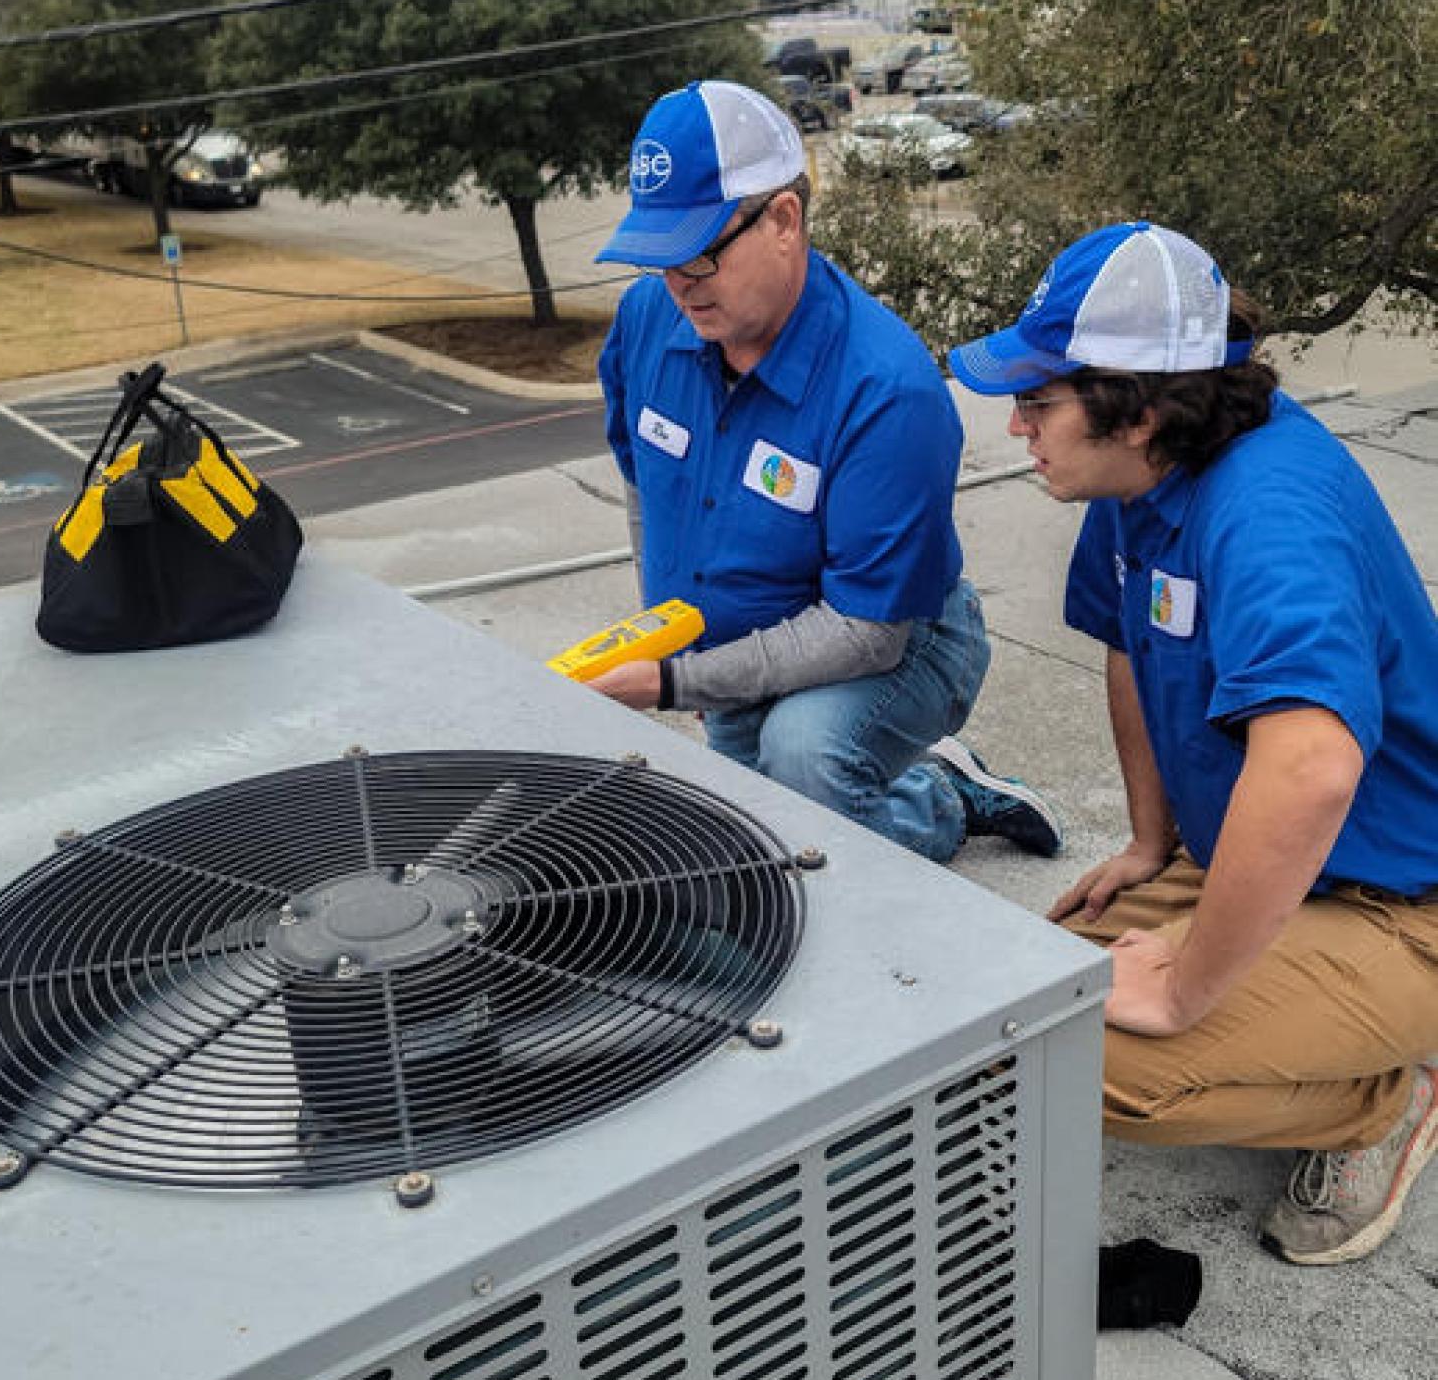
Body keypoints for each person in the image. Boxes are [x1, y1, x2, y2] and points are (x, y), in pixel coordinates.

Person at [948, 220, 1438, 1265]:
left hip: (1406, 905)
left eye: (1038, 401)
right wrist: (1147, 841)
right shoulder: (1143, 474)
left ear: (1142, 411)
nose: (1015, 428)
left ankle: (1381, 1095)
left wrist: (1180, 988)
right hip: (1274, 867)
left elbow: (1310, 767)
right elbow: (1134, 641)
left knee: (1086, 1065)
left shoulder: (1268, 510)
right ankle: (1311, 1027)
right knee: (1005, 1015)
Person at [588, 78, 1060, 863]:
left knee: (804, 769)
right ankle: (900, 782)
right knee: (750, 848)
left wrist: (674, 682)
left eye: (699, 254)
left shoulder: (887, 390)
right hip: (731, 639)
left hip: (897, 639)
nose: (677, 285)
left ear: (783, 219)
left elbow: (864, 632)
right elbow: (645, 485)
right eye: (658, 257)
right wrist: (671, 635)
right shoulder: (648, 320)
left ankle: (941, 799)